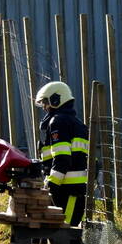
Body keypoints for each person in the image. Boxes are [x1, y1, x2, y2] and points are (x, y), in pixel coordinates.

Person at [35, 81, 89, 226]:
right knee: (64, 235)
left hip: (66, 191)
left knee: (65, 234)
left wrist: (51, 183)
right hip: (74, 190)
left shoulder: (58, 122)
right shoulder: (77, 123)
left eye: (46, 102)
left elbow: (62, 159)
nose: (45, 107)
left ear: (56, 100)